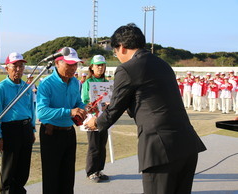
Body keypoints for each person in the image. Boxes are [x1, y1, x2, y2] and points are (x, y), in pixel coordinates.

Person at [85, 23, 206, 194]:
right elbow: (149, 102)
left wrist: (96, 123)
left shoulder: (127, 68)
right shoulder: (163, 64)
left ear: (122, 47)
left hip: (161, 149)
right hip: (187, 143)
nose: (117, 56)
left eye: (115, 51)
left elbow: (115, 109)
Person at [37, 47, 86, 194]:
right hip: (51, 133)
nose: (73, 68)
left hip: (69, 133)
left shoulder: (75, 83)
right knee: (51, 178)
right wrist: (69, 112)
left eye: (75, 64)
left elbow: (78, 102)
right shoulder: (46, 84)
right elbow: (42, 111)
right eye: (69, 64)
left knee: (68, 176)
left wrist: (85, 107)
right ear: (57, 63)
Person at [0, 52, 36, 194]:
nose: (18, 69)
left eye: (21, 66)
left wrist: (33, 129)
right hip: (10, 129)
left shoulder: (26, 87)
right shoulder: (1, 87)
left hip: (26, 128)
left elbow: (31, 108)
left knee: (24, 167)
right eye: (14, 66)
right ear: (7, 68)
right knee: (10, 167)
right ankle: (7, 191)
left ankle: (19, 190)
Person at [81, 55, 109, 183]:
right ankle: (91, 171)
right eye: (98, 65)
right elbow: (85, 100)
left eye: (102, 65)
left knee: (102, 145)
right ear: (91, 67)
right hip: (92, 118)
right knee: (94, 146)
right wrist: (93, 105)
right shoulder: (87, 82)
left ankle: (99, 170)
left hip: (104, 118)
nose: (100, 67)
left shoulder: (107, 83)